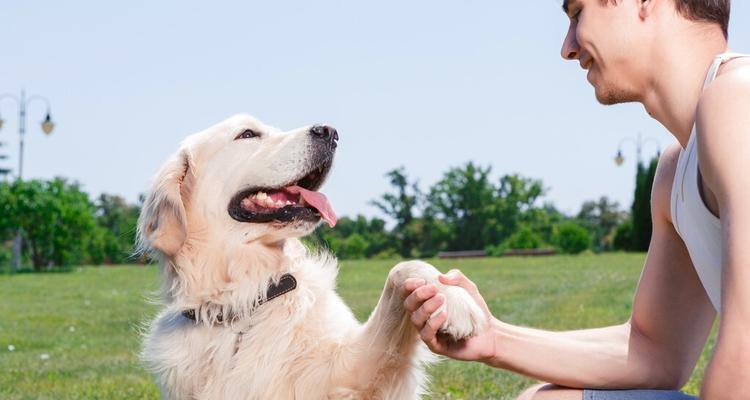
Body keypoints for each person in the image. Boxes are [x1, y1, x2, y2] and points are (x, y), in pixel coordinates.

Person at [399, 0, 749, 399]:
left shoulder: (738, 99)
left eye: (577, 13)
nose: (567, 47)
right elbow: (656, 350)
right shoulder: (676, 170)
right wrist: (493, 337)